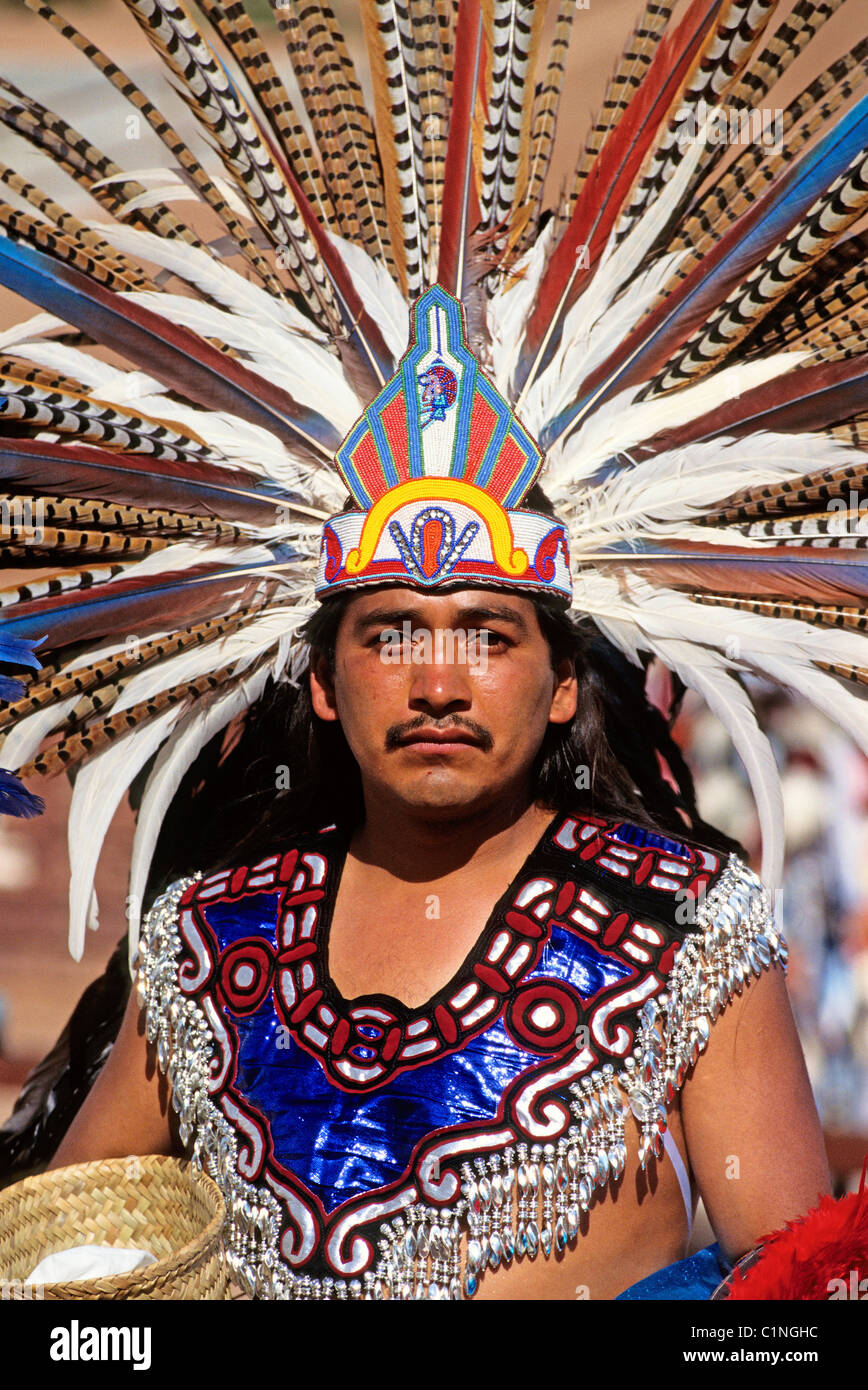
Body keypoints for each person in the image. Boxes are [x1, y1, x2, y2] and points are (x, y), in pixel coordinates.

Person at [47, 289, 830, 1301]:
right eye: (388, 635)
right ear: (325, 685)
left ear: (559, 686)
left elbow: (796, 1305)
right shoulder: (207, 935)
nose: (437, 684)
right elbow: (61, 1266)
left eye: (489, 635)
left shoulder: (680, 925)